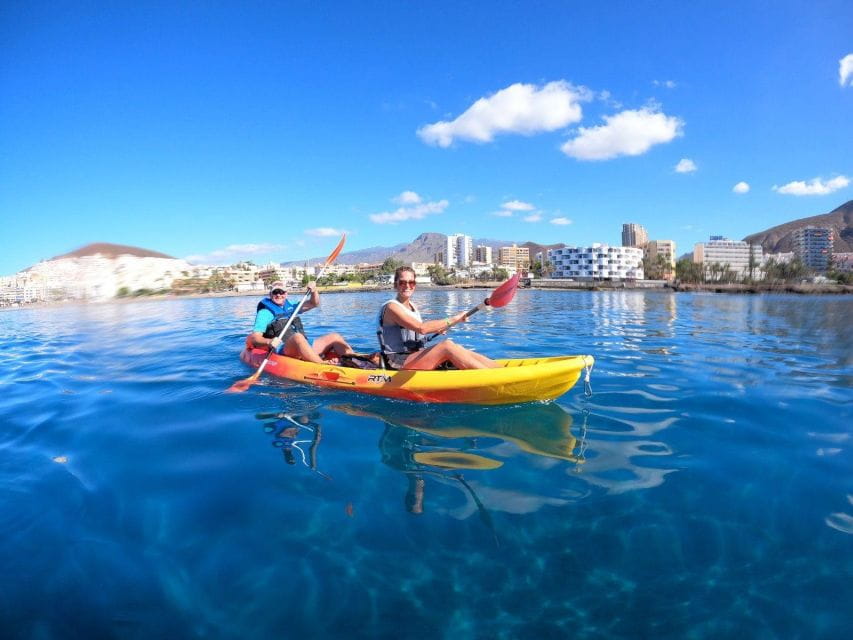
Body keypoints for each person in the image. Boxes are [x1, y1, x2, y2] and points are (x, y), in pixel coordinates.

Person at [378, 266, 500, 370]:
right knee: (446, 346)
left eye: (411, 282)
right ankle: (492, 377)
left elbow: (417, 334)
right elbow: (422, 328)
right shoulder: (392, 307)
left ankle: (498, 369)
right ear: (395, 285)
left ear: (415, 285)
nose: (407, 286)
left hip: (415, 356)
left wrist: (437, 328)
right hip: (397, 362)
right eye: (402, 282)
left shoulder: (413, 307)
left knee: (457, 347)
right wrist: (454, 319)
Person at [250, 280, 353, 363]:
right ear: (270, 294)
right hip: (284, 349)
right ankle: (322, 365)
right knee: (298, 337)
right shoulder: (264, 313)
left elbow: (314, 303)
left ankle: (355, 361)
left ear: (286, 294)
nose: (279, 295)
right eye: (275, 292)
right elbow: (255, 338)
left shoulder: (292, 305)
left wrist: (314, 291)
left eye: (282, 292)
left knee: (335, 337)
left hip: (303, 345)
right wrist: (269, 341)